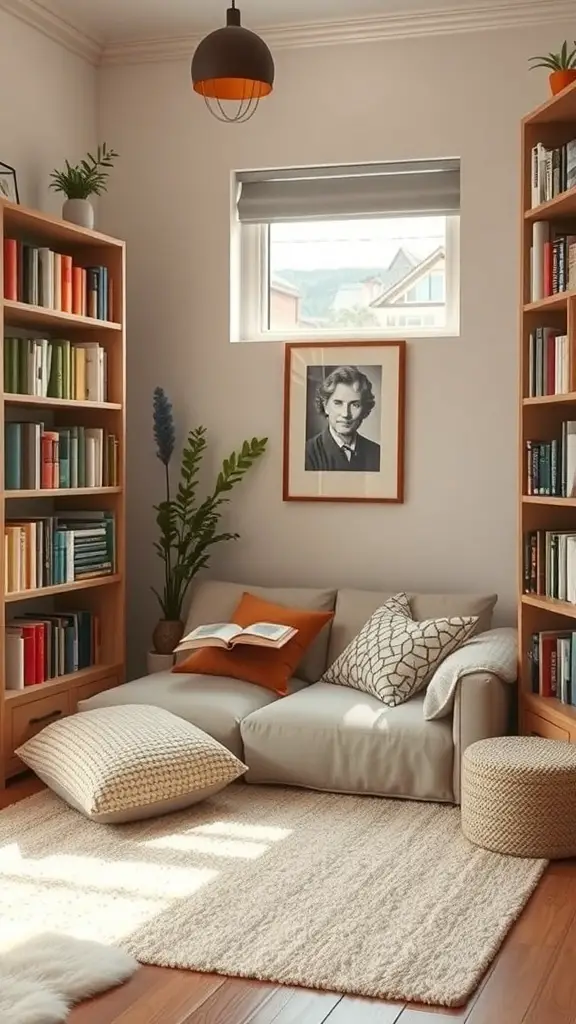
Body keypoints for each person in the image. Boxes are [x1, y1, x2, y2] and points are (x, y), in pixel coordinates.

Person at [305, 365, 381, 472]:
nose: (346, 414)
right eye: (338, 403)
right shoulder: (307, 454)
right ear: (325, 406)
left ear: (365, 410)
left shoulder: (377, 453)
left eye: (355, 405)